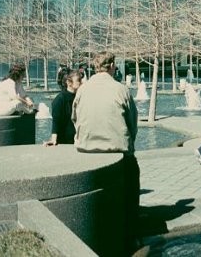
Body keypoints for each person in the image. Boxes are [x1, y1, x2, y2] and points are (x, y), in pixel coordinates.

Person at [72, 51, 140, 253]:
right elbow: (132, 122)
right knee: (132, 175)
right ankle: (131, 232)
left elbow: (74, 118)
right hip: (116, 149)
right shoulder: (121, 89)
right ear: (111, 66)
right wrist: (128, 143)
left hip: (86, 148)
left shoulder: (82, 89)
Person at [44, 69, 82, 146]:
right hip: (65, 142)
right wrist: (53, 139)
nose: (81, 82)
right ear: (69, 82)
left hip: (78, 140)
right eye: (78, 80)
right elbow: (56, 121)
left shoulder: (80, 97)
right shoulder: (60, 100)